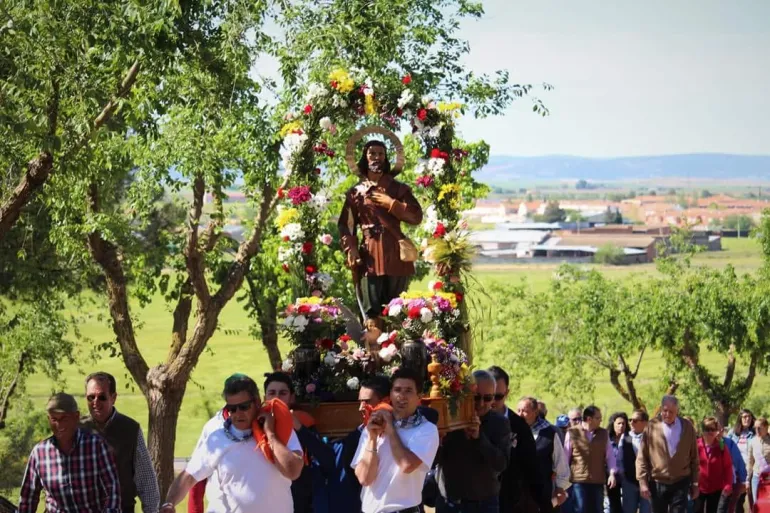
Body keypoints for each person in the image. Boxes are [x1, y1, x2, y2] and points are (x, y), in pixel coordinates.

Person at [161, 374, 303, 513]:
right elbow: (189, 476)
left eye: (244, 406)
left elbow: (293, 471)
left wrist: (270, 434)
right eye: (232, 409)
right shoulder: (216, 439)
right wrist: (169, 503)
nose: (237, 413)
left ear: (257, 402)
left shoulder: (281, 430)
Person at [338, 139, 423, 322]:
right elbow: (346, 225)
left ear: (386, 158)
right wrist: (351, 248)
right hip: (370, 254)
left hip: (394, 252)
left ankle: (396, 344)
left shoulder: (397, 188)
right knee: (371, 310)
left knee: (396, 309)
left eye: (380, 154)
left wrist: (392, 204)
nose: (376, 157)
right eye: (372, 154)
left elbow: (416, 216)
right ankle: (373, 347)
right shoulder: (356, 192)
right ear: (364, 158)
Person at [297, 376, 391, 513]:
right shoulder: (357, 434)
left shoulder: (399, 433)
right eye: (359, 402)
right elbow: (330, 457)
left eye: (366, 402)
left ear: (385, 401)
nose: (360, 408)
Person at [352, 367, 439, 513]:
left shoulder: (426, 429)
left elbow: (407, 465)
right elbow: (364, 479)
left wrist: (391, 431)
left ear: (419, 397)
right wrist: (372, 439)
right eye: (397, 390)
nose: (402, 396)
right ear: (391, 395)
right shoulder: (374, 425)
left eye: (408, 391)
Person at [19, 392, 121, 513]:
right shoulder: (39, 453)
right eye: (54, 419)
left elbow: (112, 489)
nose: (59, 424)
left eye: (64, 418)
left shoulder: (96, 446)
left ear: (76, 417)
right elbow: (27, 498)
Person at [80, 372, 160, 513]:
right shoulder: (77, 430)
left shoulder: (130, 429)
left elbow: (146, 480)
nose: (95, 402)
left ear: (113, 397)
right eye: (91, 397)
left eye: (102, 397)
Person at [435, 370, 511, 513]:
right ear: (465, 395)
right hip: (449, 502)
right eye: (476, 397)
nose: (481, 403)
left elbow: (501, 464)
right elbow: (433, 462)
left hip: (483, 504)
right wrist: (437, 440)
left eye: (488, 398)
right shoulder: (449, 418)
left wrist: (479, 438)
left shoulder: (500, 423)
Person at [487, 366, 547, 513]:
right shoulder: (473, 423)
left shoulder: (519, 426)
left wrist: (545, 505)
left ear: (507, 393)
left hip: (510, 501)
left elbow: (532, 469)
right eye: (489, 396)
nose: (492, 402)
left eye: (498, 396)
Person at [636, 395, 700, 513]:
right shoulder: (651, 426)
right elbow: (642, 457)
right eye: (665, 411)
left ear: (677, 411)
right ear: (661, 409)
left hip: (681, 481)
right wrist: (643, 482)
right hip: (657, 482)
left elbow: (694, 458)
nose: (668, 414)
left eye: (671, 412)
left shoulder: (687, 427)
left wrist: (695, 483)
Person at [264, 372, 315, 513]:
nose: (277, 398)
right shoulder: (255, 422)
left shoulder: (303, 422)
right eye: (272, 393)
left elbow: (319, 455)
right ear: (264, 397)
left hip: (298, 497)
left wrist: (299, 427)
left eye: (283, 393)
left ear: (291, 397)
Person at [517, 396, 571, 511]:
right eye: (518, 410)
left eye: (525, 411)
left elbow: (560, 463)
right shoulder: (512, 431)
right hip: (516, 493)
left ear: (535, 412)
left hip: (541, 493)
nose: (520, 415)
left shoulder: (550, 434)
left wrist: (560, 487)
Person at [564, 405, 618, 513]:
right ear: (589, 419)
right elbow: (566, 457)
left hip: (597, 481)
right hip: (578, 481)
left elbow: (610, 456)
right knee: (581, 509)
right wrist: (563, 479)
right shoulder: (572, 433)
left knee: (598, 510)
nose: (601, 420)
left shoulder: (604, 434)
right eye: (598, 418)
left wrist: (612, 474)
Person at [694, 417, 733, 513]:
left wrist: (728, 484)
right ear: (702, 431)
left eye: (712, 429)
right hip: (698, 487)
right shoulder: (696, 445)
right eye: (707, 429)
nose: (710, 432)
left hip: (716, 488)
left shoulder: (721, 445)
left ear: (716, 431)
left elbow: (728, 466)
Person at [618, 410, 651, 513]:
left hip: (648, 482)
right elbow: (620, 458)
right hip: (629, 482)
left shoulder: (652, 437)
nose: (631, 423)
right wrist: (623, 475)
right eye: (630, 420)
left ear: (645, 422)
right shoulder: (625, 437)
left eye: (635, 420)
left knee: (646, 510)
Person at [727, 410, 755, 513]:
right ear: (740, 418)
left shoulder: (754, 433)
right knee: (736, 502)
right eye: (744, 417)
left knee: (753, 502)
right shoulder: (732, 433)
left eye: (749, 417)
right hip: (736, 472)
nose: (747, 419)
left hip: (751, 471)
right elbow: (725, 449)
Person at [719, 421, 747, 513]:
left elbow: (739, 461)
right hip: (711, 483)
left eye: (718, 429)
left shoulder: (729, 443)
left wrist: (743, 480)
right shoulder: (703, 443)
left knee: (727, 508)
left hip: (729, 482)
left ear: (722, 430)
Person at [607, 413, 630, 513]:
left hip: (627, 477)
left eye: (623, 424)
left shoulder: (630, 439)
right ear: (613, 424)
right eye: (619, 423)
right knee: (614, 505)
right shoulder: (607, 440)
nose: (621, 426)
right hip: (612, 478)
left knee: (628, 505)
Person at [748, 417, 770, 505]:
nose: (756, 430)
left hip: (769, 478)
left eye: (759, 428)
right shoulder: (752, 442)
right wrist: (747, 479)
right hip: (756, 478)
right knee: (757, 504)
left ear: (766, 427)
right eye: (755, 428)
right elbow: (750, 462)